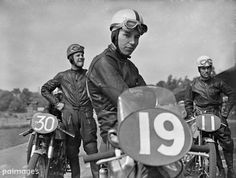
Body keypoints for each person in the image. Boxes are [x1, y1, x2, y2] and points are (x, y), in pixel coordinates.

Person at [87, 8, 174, 178]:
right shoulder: (103, 62)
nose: (133, 42)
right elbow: (125, 98)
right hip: (116, 137)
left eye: (137, 37)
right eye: (127, 35)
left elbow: (151, 96)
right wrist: (142, 98)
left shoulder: (130, 66)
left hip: (138, 133)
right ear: (114, 34)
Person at [41, 44, 98, 178]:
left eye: (82, 55)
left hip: (86, 115)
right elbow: (45, 89)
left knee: (92, 148)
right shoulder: (62, 76)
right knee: (72, 152)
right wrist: (56, 103)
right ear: (70, 58)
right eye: (78, 55)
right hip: (69, 117)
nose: (81, 57)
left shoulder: (90, 75)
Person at [184, 55, 235, 178]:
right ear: (199, 69)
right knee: (204, 143)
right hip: (201, 116)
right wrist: (191, 115)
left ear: (211, 68)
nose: (206, 70)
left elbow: (232, 94)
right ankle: (219, 169)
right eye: (203, 68)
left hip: (217, 114)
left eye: (208, 68)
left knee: (227, 141)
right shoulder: (193, 85)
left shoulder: (218, 82)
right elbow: (188, 102)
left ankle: (231, 169)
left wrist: (225, 113)